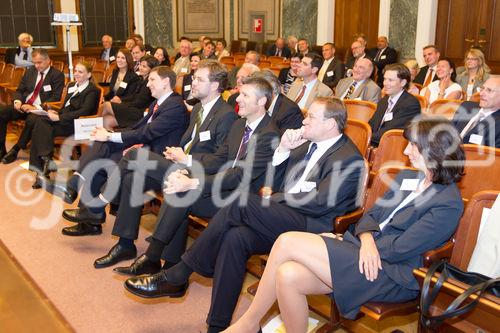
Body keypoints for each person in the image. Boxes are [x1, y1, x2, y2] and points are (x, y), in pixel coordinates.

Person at [124, 97, 365, 333]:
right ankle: (218, 325)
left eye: (311, 117)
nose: (304, 122)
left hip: (312, 227)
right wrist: (282, 150)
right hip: (282, 216)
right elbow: (275, 181)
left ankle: (180, 273)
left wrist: (274, 199)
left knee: (240, 201)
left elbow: (320, 202)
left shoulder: (348, 158)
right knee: (235, 238)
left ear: (330, 124)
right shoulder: (303, 145)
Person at [224, 118, 465, 332]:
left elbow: (404, 248)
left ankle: (248, 323)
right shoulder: (407, 177)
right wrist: (365, 239)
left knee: (286, 241)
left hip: (393, 274)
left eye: (413, 145)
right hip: (365, 253)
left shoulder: (448, 203)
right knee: (287, 275)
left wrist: (361, 245)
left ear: (435, 150)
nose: (407, 150)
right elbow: (371, 216)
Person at [95, 77, 273, 272]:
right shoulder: (240, 125)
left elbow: (238, 177)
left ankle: (153, 257)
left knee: (173, 184)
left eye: (245, 95)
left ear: (262, 101)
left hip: (238, 199)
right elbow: (220, 158)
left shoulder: (268, 133)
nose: (237, 98)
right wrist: (186, 164)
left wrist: (193, 182)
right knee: (169, 185)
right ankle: (160, 260)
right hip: (210, 180)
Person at [51, 66, 189, 236]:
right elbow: (137, 127)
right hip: (142, 149)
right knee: (101, 146)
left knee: (103, 148)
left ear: (166, 82)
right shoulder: (158, 103)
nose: (148, 84)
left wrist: (110, 137)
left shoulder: (174, 106)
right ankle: (88, 215)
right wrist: (110, 135)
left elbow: (146, 133)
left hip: (156, 158)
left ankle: (80, 196)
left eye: (152, 80)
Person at [29, 62, 100, 188]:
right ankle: (45, 163)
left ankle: (43, 168)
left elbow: (84, 111)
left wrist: (59, 117)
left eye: (80, 72)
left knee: (40, 127)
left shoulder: (92, 90)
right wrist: (55, 112)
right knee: (40, 121)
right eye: (76, 71)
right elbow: (65, 106)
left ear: (88, 75)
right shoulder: (72, 85)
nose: (76, 74)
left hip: (78, 124)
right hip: (64, 119)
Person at [0, 48, 65, 163]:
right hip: (24, 105)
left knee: (32, 120)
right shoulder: (30, 72)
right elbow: (19, 90)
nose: (36, 65)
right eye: (34, 62)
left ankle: (16, 149)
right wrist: (17, 101)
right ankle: (1, 149)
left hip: (39, 110)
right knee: (2, 113)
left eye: (39, 62)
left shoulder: (56, 75)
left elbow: (56, 97)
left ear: (48, 60)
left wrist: (36, 108)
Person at [100, 55, 158, 130]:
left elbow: (139, 102)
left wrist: (121, 103)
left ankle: (88, 124)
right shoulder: (141, 79)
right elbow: (132, 96)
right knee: (106, 120)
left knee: (106, 105)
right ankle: (109, 139)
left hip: (140, 113)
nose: (140, 68)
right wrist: (121, 101)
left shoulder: (149, 83)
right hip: (133, 108)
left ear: (151, 69)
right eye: (140, 64)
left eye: (144, 66)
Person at [368, 63, 421, 146]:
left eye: (390, 80)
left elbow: (390, 132)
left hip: (392, 149)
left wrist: (365, 137)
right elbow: (372, 124)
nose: (385, 83)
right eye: (385, 79)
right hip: (375, 144)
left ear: (403, 82)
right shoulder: (384, 101)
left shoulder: (410, 104)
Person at [452, 77, 500, 148]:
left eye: (489, 90)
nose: (481, 93)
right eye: (482, 88)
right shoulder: (466, 106)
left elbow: (494, 156)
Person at [254, 70, 304, 134]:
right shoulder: (261, 104)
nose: (254, 95)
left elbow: (282, 140)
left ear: (270, 90)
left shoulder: (290, 111)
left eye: (257, 91)